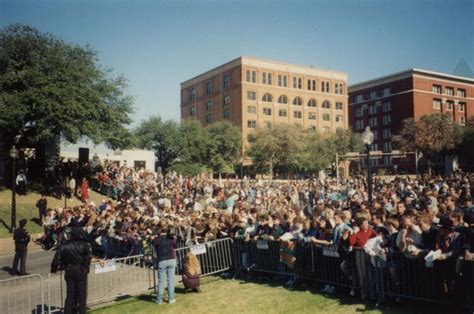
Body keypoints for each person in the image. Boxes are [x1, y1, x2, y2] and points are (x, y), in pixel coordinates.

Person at [50, 227, 99, 314]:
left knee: (70, 294)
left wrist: (54, 269)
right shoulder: (85, 244)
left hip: (69, 270)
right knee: (81, 295)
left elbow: (56, 260)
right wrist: (85, 268)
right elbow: (88, 257)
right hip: (80, 270)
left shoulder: (64, 245)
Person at [152, 221, 177, 305]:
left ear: (160, 229)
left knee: (161, 281)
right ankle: (171, 298)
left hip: (162, 260)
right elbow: (175, 245)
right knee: (171, 280)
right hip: (171, 259)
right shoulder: (171, 238)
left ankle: (159, 300)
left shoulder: (157, 239)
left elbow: (154, 244)